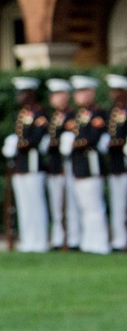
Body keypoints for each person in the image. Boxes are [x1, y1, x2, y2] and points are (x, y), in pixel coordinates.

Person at [61, 75, 110, 254]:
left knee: (94, 206)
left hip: (91, 165)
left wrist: (73, 143)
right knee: (84, 207)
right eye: (77, 91)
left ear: (91, 93)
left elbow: (92, 139)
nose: (78, 95)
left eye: (82, 91)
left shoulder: (97, 114)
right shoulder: (80, 115)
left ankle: (100, 243)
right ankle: (89, 241)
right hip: (79, 165)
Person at [1, 77, 49, 252]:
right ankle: (28, 240)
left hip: (33, 165)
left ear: (30, 94)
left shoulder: (38, 113)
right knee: (24, 206)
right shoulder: (22, 114)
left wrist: (19, 144)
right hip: (21, 165)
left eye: (22, 93)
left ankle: (39, 240)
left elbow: (36, 138)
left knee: (35, 203)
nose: (19, 96)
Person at [44, 78, 81, 250]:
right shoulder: (55, 117)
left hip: (68, 166)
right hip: (55, 166)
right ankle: (59, 238)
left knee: (71, 204)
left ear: (66, 95)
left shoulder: (72, 116)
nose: (53, 97)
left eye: (57, 94)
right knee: (57, 205)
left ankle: (73, 238)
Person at [104, 73, 127, 251]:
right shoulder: (114, 111)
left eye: (116, 91)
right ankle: (119, 240)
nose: (112, 94)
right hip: (116, 163)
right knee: (118, 204)